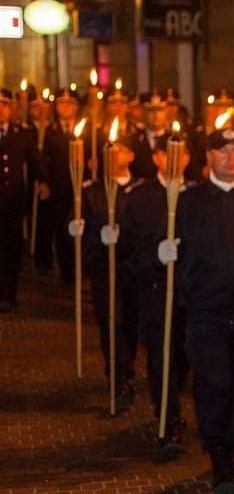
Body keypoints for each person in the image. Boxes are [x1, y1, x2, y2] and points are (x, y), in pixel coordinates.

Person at [157, 122, 234, 494]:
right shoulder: (188, 200)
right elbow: (165, 240)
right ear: (209, 157)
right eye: (221, 151)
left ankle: (231, 443)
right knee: (214, 384)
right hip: (204, 310)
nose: (230, 158)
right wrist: (162, 251)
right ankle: (218, 451)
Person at [122, 135, 192, 458]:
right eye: (168, 153)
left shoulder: (197, 197)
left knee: (183, 357)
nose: (176, 159)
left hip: (190, 296)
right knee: (162, 358)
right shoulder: (139, 198)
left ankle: (172, 399)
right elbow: (127, 253)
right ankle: (168, 420)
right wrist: (154, 255)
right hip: (154, 291)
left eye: (182, 153)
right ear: (157, 158)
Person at [68, 132, 141, 409]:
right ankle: (119, 377)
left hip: (134, 270)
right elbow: (74, 226)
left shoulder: (141, 190)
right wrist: (78, 231)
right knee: (112, 322)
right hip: (103, 269)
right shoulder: (90, 191)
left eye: (121, 149)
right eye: (109, 150)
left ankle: (127, 363)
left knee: (131, 323)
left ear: (131, 156)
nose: (115, 154)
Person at [0, 88, 47, 312]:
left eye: (5, 105)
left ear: (11, 109)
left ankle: (10, 293)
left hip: (14, 200)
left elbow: (34, 160)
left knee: (12, 247)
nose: (1, 110)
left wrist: (44, 181)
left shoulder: (22, 133)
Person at [37, 88, 86, 283]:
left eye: (70, 104)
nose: (65, 107)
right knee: (62, 229)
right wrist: (44, 182)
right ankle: (67, 272)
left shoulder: (86, 129)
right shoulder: (50, 131)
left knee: (82, 228)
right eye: (61, 104)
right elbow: (43, 160)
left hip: (81, 187)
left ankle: (81, 268)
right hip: (59, 188)